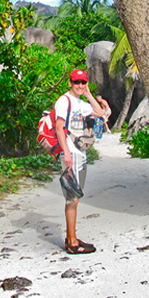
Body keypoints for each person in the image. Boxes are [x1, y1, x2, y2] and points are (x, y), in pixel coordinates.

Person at [54, 69, 106, 254]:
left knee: (75, 198)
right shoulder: (64, 101)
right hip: (71, 157)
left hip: (80, 157)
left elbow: (99, 113)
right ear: (70, 83)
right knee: (72, 199)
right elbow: (59, 128)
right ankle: (72, 243)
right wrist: (66, 153)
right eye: (77, 82)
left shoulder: (81, 103)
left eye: (83, 82)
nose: (80, 85)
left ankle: (71, 237)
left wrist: (89, 95)